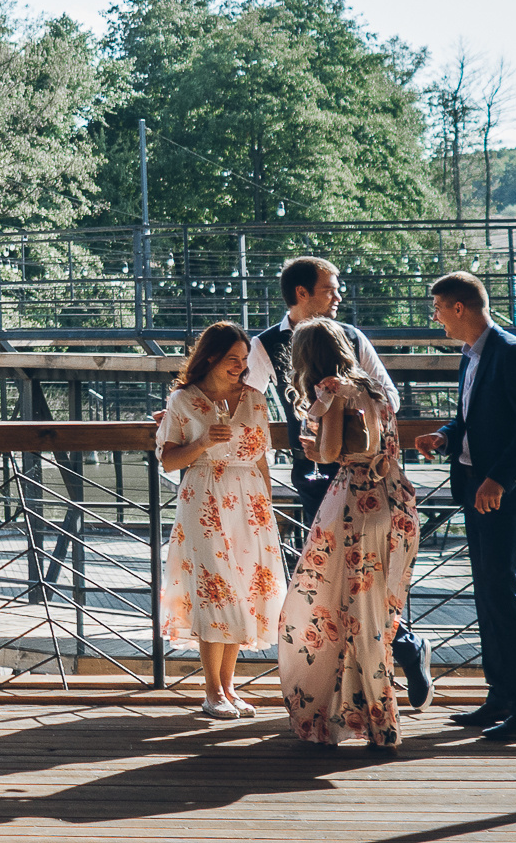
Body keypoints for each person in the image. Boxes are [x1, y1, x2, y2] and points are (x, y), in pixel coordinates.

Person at [256, 255, 433, 710]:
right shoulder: (265, 345)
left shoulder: (352, 338)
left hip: (361, 474)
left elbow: (389, 396)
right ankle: (354, 682)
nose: (339, 296)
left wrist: (347, 412)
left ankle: (395, 655)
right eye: (331, 288)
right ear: (302, 293)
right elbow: (244, 395)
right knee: (335, 584)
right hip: (317, 480)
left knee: (358, 580)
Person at [415, 271, 516, 745]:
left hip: (502, 493)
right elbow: (469, 419)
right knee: (489, 594)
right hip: (476, 487)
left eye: (438, 309)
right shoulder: (471, 355)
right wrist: (444, 436)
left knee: (503, 594)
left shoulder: (512, 353)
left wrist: (499, 480)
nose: (436, 318)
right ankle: (502, 697)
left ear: (459, 308)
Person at [275, 318, 420, 753]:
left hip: (357, 503)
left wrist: (314, 449)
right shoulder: (375, 389)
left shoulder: (334, 391)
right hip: (394, 500)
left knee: (337, 611)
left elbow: (331, 453)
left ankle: (378, 722)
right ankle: (369, 717)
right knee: (372, 615)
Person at [155, 320, 287, 719]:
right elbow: (167, 460)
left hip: (250, 504)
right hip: (205, 500)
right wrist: (201, 443)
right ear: (210, 357)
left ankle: (229, 688)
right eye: (232, 358)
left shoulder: (255, 399)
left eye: (244, 359)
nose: (240, 366)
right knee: (216, 590)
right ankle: (211, 691)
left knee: (242, 591)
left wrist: (267, 510)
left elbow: (261, 459)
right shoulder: (183, 400)